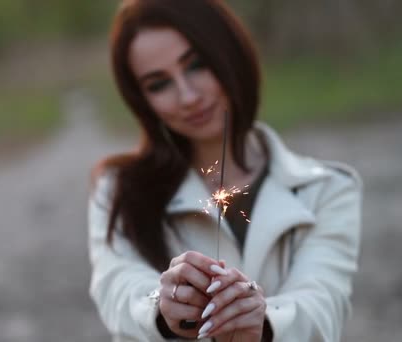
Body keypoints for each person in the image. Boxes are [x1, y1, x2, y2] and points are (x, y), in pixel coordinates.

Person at [87, 0, 362, 341]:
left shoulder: (327, 189)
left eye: (196, 65)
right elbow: (117, 289)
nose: (187, 96)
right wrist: (163, 309)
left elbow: (323, 307)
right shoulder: (119, 189)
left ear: (230, 53)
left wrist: (262, 323)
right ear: (142, 101)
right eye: (159, 84)